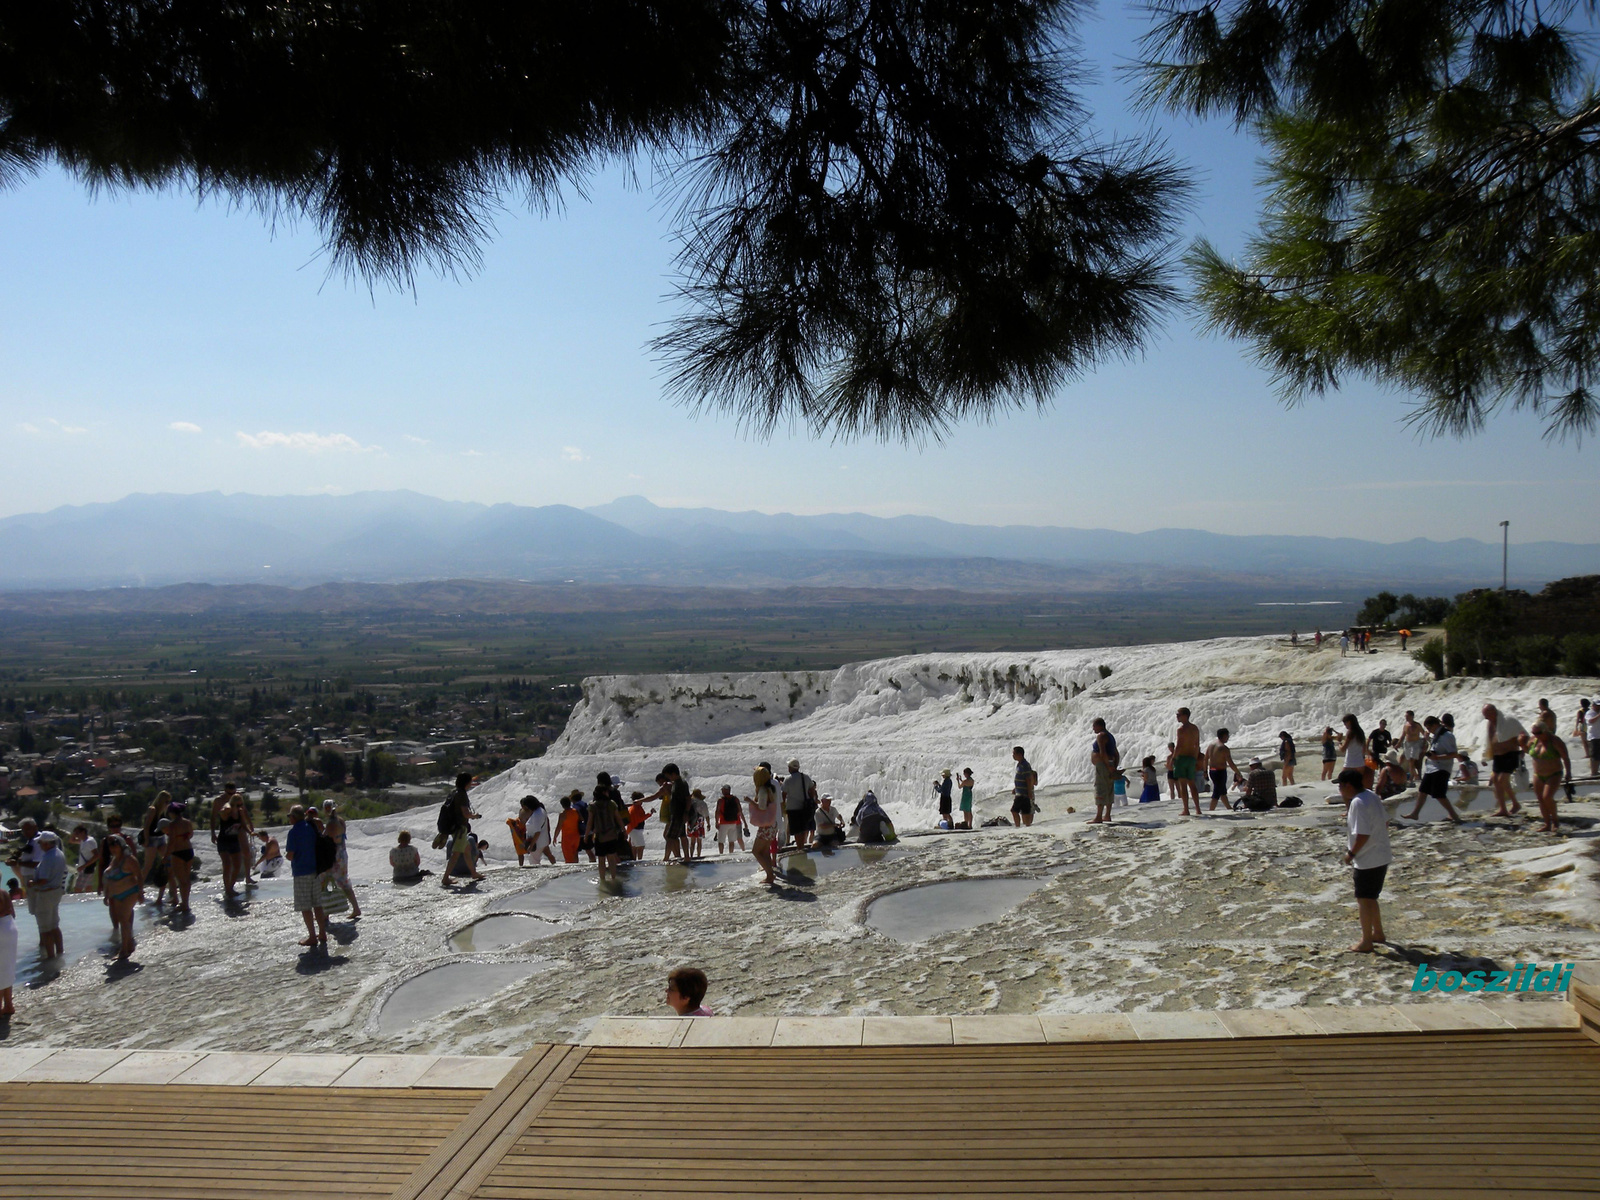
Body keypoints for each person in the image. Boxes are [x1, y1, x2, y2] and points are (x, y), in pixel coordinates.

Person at [1338, 768, 1391, 952]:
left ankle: (1366, 940)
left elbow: (1362, 834)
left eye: (1340, 786)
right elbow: (1385, 821)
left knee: (1363, 899)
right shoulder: (1371, 795)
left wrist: (1351, 854)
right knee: (1371, 898)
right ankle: (1378, 933)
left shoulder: (1358, 803)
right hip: (1382, 854)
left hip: (1368, 858)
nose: (1340, 790)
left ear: (1348, 785)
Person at [1404, 715, 1463, 823]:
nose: (1428, 731)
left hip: (1442, 768)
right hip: (1432, 767)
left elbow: (1454, 754)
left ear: (1435, 725)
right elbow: (1437, 747)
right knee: (1423, 790)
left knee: (1439, 794)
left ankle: (1455, 816)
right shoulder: (1437, 735)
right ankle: (1415, 813)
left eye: (1429, 728)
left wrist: (1437, 757)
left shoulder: (1447, 735)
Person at [283, 805, 327, 948]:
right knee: (317, 904)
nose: (289, 818)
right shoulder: (311, 828)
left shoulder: (293, 832)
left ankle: (312, 936)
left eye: (290, 816)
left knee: (305, 906)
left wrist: (288, 856)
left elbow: (290, 855)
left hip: (301, 872)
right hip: (314, 870)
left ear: (294, 817)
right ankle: (322, 933)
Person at [101, 834, 144, 960]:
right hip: (116, 895)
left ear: (121, 846)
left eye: (115, 847)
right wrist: (106, 895)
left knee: (124, 920)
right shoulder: (114, 861)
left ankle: (123, 950)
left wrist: (140, 892)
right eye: (111, 847)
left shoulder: (129, 860)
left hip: (130, 892)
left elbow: (139, 876)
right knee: (121, 920)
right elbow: (109, 880)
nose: (113, 849)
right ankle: (129, 945)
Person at [1482, 704, 1526, 817]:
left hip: (1511, 754)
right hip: (1498, 756)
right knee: (1496, 781)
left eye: (1486, 714)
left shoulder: (1509, 720)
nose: (1485, 717)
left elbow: (1523, 734)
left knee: (1502, 779)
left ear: (1493, 711)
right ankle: (1503, 808)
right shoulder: (1489, 724)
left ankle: (1515, 804)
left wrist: (1524, 750)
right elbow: (1488, 740)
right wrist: (1485, 756)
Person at [1526, 724, 1572, 834]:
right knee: (1540, 799)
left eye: (1538, 733)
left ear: (1545, 730)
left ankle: (1555, 821)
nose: (1536, 735)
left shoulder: (1555, 741)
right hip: (1538, 774)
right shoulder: (1534, 740)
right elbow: (1526, 750)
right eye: (1534, 733)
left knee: (1547, 797)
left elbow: (1565, 757)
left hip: (1553, 773)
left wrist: (1568, 772)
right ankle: (1547, 823)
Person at [28, 830, 67, 960]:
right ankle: (60, 952)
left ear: (46, 844)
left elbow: (43, 880)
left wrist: (32, 883)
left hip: (46, 893)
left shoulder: (48, 857)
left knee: (45, 929)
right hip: (56, 891)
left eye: (40, 843)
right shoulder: (59, 853)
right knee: (54, 925)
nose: (39, 845)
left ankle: (50, 958)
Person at [441, 772, 483, 887]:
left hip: (454, 826)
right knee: (456, 853)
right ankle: (445, 878)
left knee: (467, 849)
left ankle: (473, 873)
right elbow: (465, 813)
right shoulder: (462, 795)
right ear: (467, 783)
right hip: (460, 828)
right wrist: (475, 816)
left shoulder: (454, 793)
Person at [321, 801, 361, 919]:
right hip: (342, 853)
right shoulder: (341, 821)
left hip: (333, 856)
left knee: (324, 881)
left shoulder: (331, 824)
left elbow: (328, 840)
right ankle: (355, 908)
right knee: (343, 881)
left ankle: (326, 912)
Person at [588, 772, 628, 883]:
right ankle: (615, 876)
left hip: (600, 829)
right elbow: (619, 809)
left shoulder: (597, 794)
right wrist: (623, 829)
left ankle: (604, 880)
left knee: (602, 857)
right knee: (612, 854)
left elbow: (592, 814)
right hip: (614, 827)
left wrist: (589, 832)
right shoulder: (615, 793)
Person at [747, 765, 780, 885]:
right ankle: (770, 873)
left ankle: (770, 875)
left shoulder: (762, 790)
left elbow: (761, 807)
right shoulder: (772, 788)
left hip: (766, 826)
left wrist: (750, 801)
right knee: (765, 851)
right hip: (773, 823)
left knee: (756, 851)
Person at [165, 800, 196, 913]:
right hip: (188, 850)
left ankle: (185, 904)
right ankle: (185, 902)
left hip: (177, 852)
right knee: (186, 880)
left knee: (181, 880)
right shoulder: (187, 822)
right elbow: (191, 835)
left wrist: (165, 856)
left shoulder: (172, 825)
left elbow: (171, 841)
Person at [782, 758, 817, 850]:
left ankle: (799, 847)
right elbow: (812, 789)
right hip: (804, 808)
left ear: (790, 768)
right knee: (803, 829)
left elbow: (784, 794)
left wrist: (783, 806)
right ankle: (801, 847)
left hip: (792, 808)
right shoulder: (805, 777)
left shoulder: (788, 779)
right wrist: (810, 799)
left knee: (796, 831)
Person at [659, 764, 692, 862]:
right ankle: (687, 857)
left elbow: (688, 799)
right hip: (677, 813)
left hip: (678, 814)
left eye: (668, 776)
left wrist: (686, 812)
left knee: (669, 837)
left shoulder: (681, 783)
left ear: (673, 774)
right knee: (682, 836)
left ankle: (666, 858)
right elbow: (674, 798)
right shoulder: (675, 784)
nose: (668, 778)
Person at [1206, 729, 1243, 812]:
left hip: (1212, 770)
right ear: (1224, 736)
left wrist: (1205, 771)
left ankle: (1228, 807)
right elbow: (1230, 763)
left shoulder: (1211, 745)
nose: (1228, 738)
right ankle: (1211, 810)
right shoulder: (1223, 748)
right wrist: (1238, 772)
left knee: (1222, 791)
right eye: (1227, 736)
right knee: (1217, 792)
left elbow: (1205, 759)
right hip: (1220, 772)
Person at [1172, 710, 1201, 813]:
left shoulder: (1181, 729)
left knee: (1183, 785)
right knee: (1192, 784)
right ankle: (1198, 809)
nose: (1177, 716)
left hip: (1182, 758)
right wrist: (1195, 758)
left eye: (1178, 715)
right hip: (1191, 758)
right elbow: (1197, 745)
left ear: (1185, 716)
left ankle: (1186, 809)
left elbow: (1179, 745)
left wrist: (1173, 758)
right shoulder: (1195, 728)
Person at [1089, 729, 1115, 824]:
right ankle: (1107, 815)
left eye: (1094, 726)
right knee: (1109, 788)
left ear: (1099, 726)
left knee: (1100, 788)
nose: (1093, 729)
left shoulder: (1101, 735)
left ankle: (1098, 817)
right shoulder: (1110, 736)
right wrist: (1113, 766)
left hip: (1103, 765)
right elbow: (1116, 752)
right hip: (1109, 764)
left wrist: (1108, 766)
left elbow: (1102, 752)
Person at [1011, 745, 1037, 826]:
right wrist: (1016, 788)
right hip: (1020, 793)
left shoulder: (1025, 765)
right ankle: (1020, 827)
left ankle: (1023, 828)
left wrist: (1029, 792)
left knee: (1021, 812)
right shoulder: (1019, 764)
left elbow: (1028, 779)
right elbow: (1021, 778)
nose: (1013, 755)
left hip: (1024, 794)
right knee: (1019, 812)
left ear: (1019, 754)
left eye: (1014, 753)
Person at [713, 786, 743, 854]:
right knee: (731, 841)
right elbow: (740, 810)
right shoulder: (735, 799)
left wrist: (716, 822)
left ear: (724, 791)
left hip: (723, 822)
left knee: (721, 841)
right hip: (733, 822)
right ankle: (731, 853)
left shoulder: (721, 800)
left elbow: (717, 811)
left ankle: (721, 853)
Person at [69, 825, 98, 893]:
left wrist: (83, 866)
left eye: (78, 833)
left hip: (85, 869)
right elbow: (72, 840)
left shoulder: (89, 842)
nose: (76, 835)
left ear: (83, 832)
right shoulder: (83, 841)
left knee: (77, 889)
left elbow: (96, 855)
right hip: (87, 868)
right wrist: (74, 834)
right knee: (88, 888)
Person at [0, 881, 15, 1017]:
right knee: (6, 967)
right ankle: (8, 1005)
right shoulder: (4, 892)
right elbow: (12, 913)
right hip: (10, 927)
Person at [1399, 711, 1425, 783]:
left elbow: (1424, 734)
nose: (1406, 718)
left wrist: (1425, 744)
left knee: (1411, 760)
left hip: (1415, 744)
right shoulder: (1406, 725)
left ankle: (1412, 777)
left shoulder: (1417, 725)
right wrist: (1398, 744)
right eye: (1405, 716)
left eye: (1407, 716)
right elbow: (1403, 736)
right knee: (1406, 759)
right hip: (1407, 744)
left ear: (1412, 716)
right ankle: (1413, 776)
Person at [555, 795, 582, 864]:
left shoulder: (563, 814)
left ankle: (571, 873)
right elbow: (581, 819)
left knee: (568, 858)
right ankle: (577, 871)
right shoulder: (575, 811)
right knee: (575, 855)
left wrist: (555, 837)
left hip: (567, 838)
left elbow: (559, 827)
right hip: (576, 836)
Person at [686, 788, 710, 859]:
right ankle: (699, 855)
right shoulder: (703, 803)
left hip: (691, 821)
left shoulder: (690, 802)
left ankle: (691, 855)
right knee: (699, 841)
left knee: (692, 841)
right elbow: (707, 815)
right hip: (700, 822)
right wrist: (708, 824)